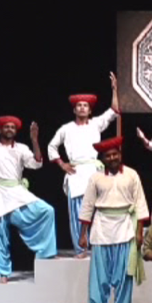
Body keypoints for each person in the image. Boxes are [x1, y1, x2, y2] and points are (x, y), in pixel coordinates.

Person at [0, 116, 56, 283]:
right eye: (6, 127)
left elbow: (36, 164)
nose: (9, 129)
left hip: (17, 191)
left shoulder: (21, 148)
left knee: (46, 210)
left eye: (13, 127)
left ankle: (45, 252)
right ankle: (3, 273)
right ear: (0, 130)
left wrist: (35, 141)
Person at [78, 136, 150, 303]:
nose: (112, 158)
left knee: (123, 276)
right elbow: (87, 206)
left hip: (125, 228)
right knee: (99, 275)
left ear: (120, 154)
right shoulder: (96, 178)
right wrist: (82, 233)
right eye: (107, 155)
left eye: (114, 154)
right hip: (101, 228)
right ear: (102, 158)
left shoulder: (132, 175)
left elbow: (140, 203)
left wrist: (140, 231)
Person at [47, 72, 119, 257]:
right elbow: (52, 146)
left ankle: (98, 247)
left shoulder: (96, 124)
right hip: (76, 172)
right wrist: (62, 164)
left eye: (85, 105)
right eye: (79, 105)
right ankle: (81, 249)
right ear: (74, 110)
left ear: (90, 109)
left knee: (98, 210)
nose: (82, 108)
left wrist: (115, 89)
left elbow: (114, 111)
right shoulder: (66, 128)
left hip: (94, 171)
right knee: (78, 213)